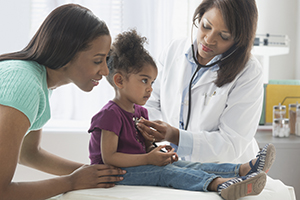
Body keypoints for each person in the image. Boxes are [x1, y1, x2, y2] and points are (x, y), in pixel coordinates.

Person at [88, 29, 276, 200]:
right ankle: (218, 184)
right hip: (115, 173)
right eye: (144, 81)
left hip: (135, 166)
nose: (150, 88)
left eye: (152, 82)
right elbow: (109, 157)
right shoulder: (109, 115)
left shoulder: (139, 112)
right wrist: (148, 159)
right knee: (166, 174)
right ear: (120, 80)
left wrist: (157, 152)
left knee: (184, 166)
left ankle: (242, 169)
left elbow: (142, 147)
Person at [0, 4, 126, 200]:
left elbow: (29, 153)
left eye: (106, 60)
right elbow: (2, 191)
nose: (105, 71)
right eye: (97, 60)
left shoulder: (39, 83)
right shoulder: (25, 85)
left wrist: (94, 174)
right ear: (67, 53)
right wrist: (72, 182)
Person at [136, 0, 263, 164]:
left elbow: (231, 142)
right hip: (174, 162)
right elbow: (149, 103)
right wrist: (148, 134)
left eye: (224, 36)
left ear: (239, 40)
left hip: (227, 166)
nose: (209, 40)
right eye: (206, 26)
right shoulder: (174, 50)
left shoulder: (249, 72)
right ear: (199, 16)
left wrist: (176, 136)